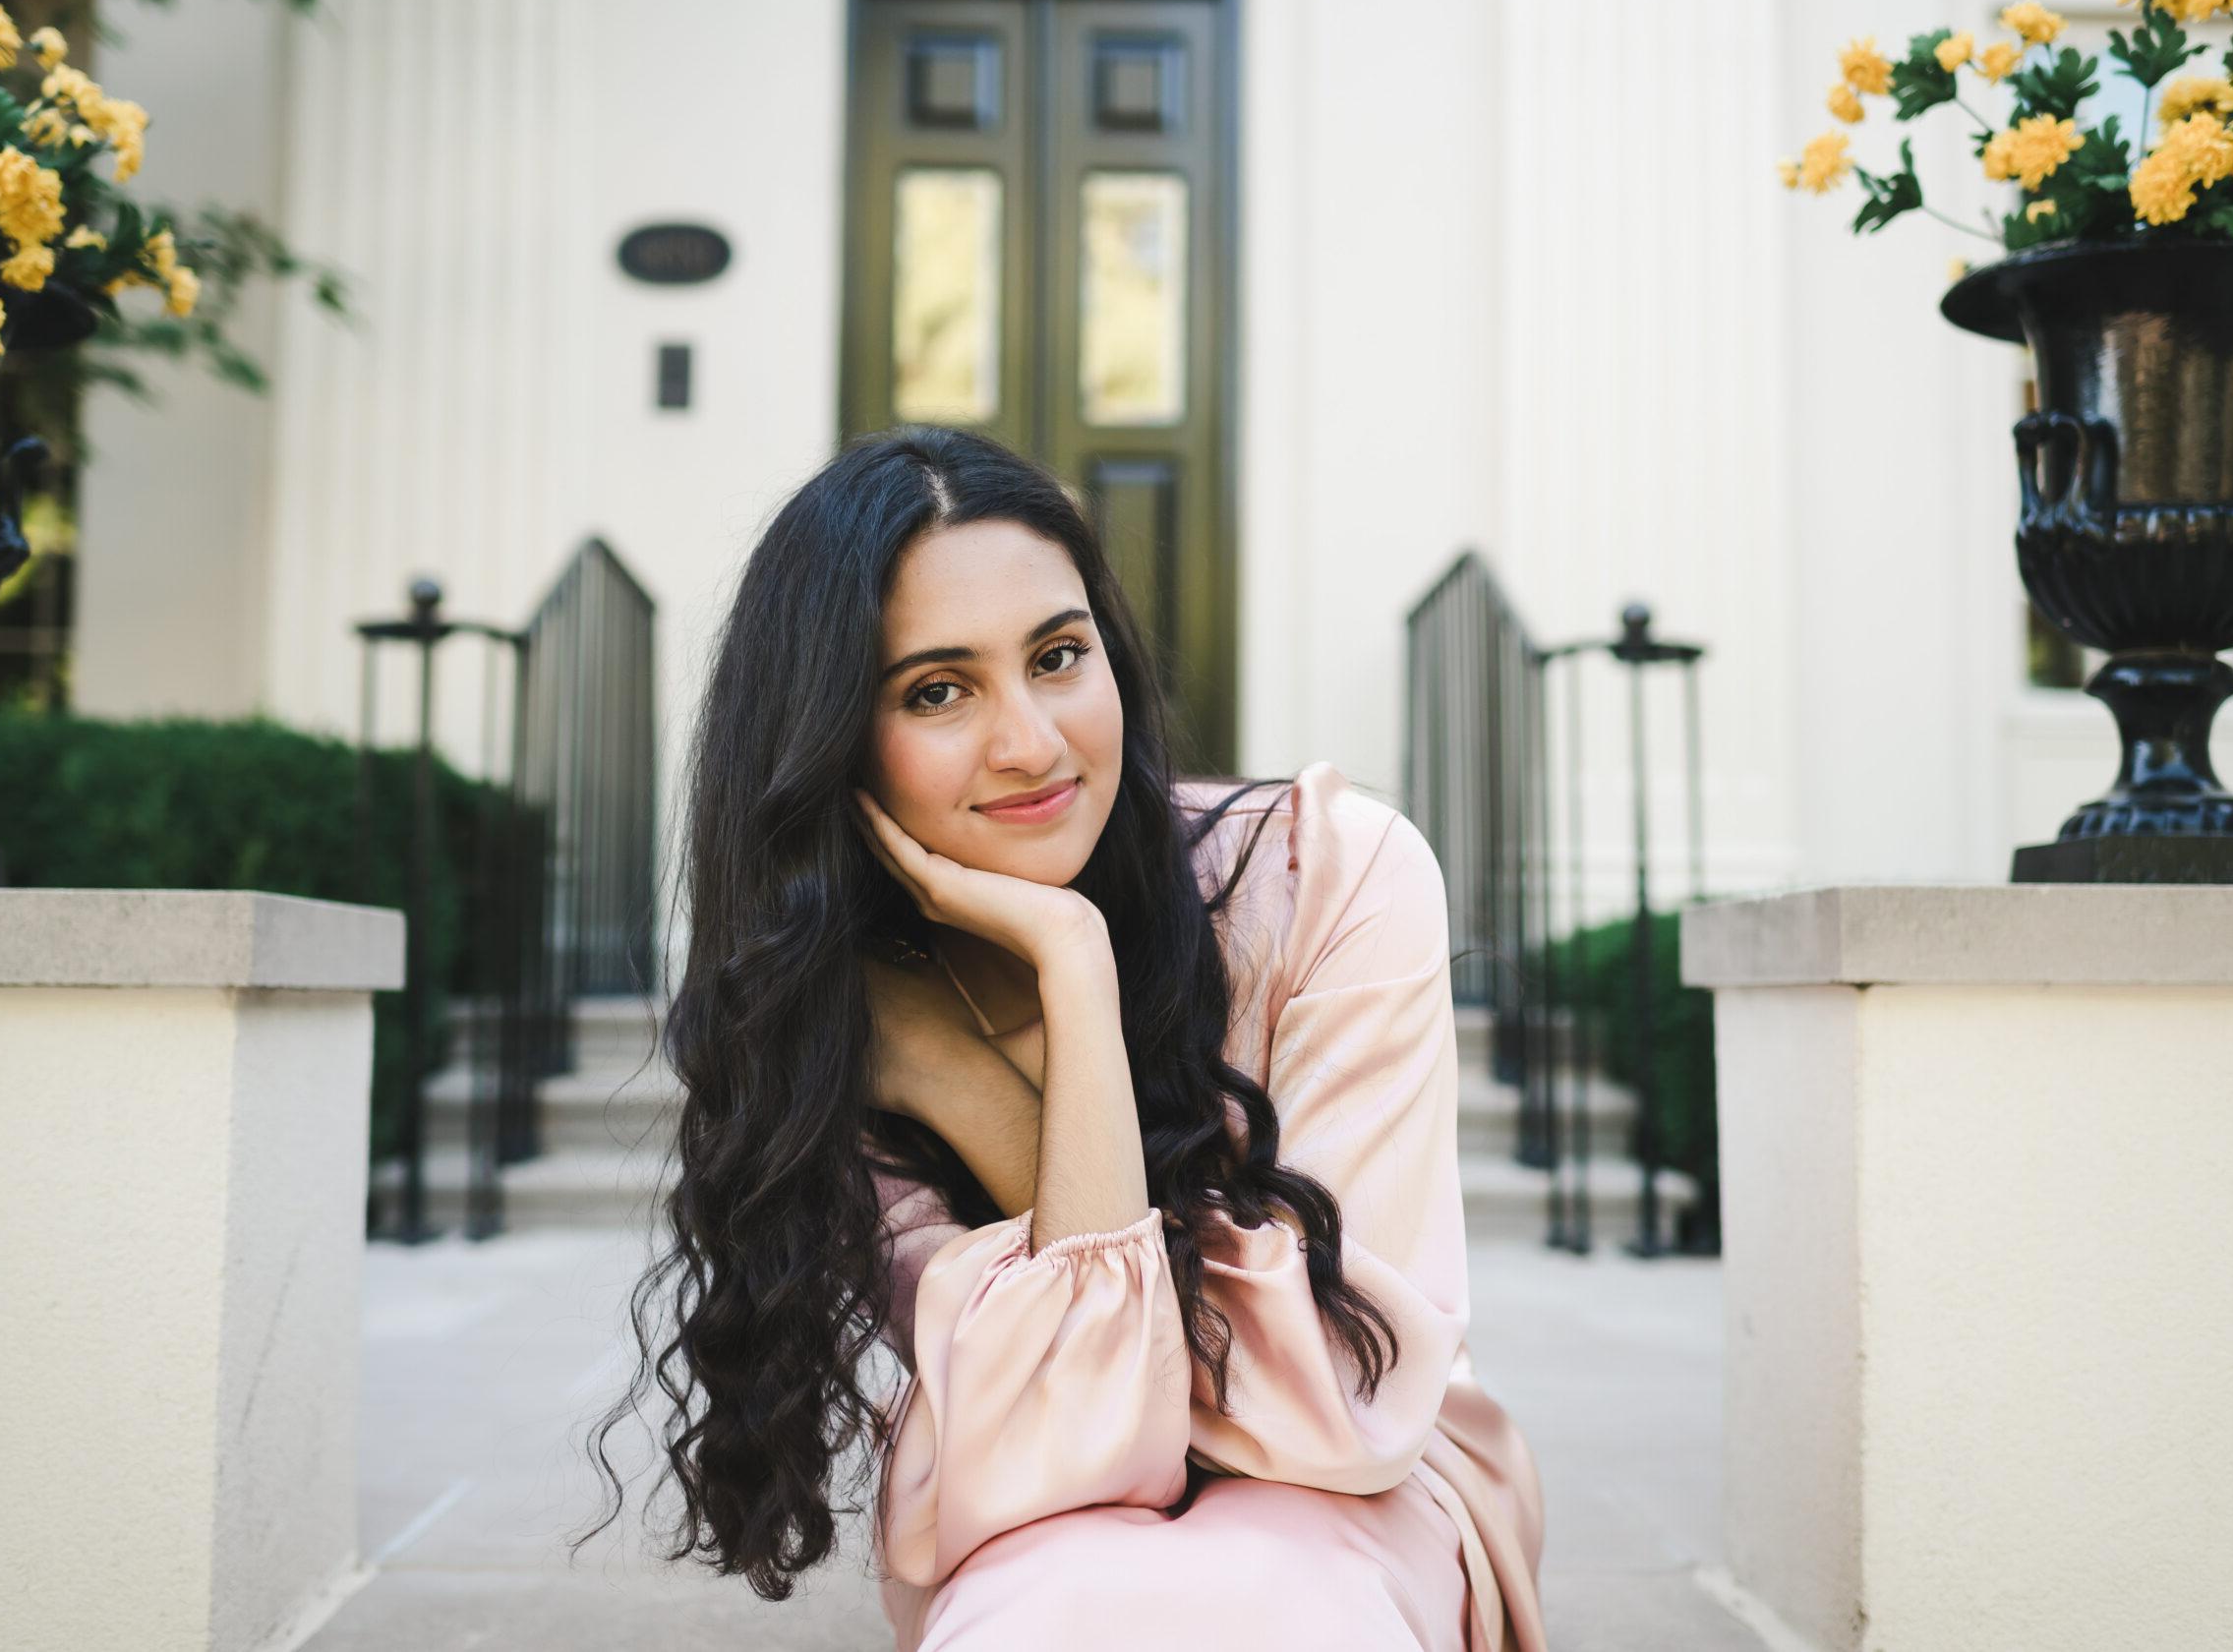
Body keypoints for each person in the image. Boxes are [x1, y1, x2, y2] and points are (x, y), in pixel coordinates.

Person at [574, 425, 1548, 1651]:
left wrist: (1048, 993)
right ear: (832, 743)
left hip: (1368, 1488)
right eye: (937, 689)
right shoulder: (841, 1010)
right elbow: (1069, 1435)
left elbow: (1338, 1409)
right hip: (1050, 1508)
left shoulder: (1330, 879)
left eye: (1057, 655)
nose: (1031, 742)